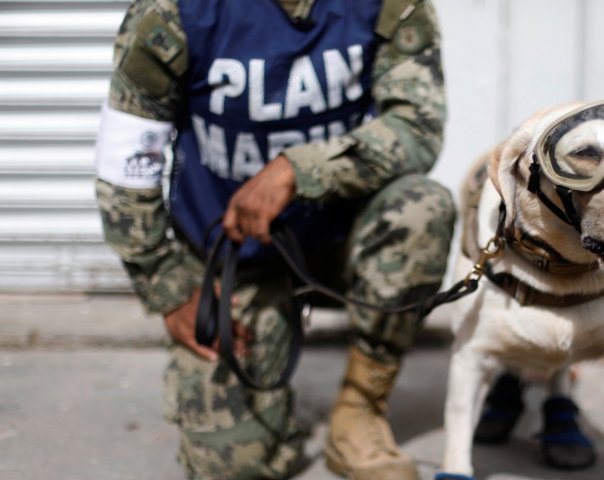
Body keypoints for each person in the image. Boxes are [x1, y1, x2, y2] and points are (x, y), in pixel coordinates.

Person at [94, 0, 454, 479]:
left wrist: (299, 170)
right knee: (232, 467)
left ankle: (359, 410)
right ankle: (271, 405)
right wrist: (167, 284)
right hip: (231, 250)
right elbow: (128, 157)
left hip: (343, 238)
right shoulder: (177, 12)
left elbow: (417, 126)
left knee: (422, 208)